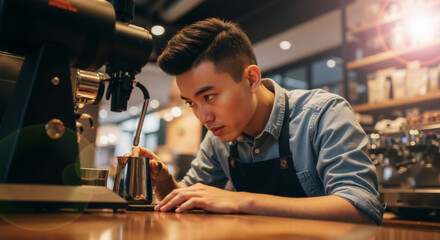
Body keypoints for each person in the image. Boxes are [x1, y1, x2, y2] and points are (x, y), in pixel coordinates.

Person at [131, 18, 384, 225]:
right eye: (191, 103)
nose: (203, 117)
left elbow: (361, 207)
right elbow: (190, 201)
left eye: (209, 96)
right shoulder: (218, 139)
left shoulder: (322, 114)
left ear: (251, 79)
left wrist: (242, 200)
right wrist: (165, 182)